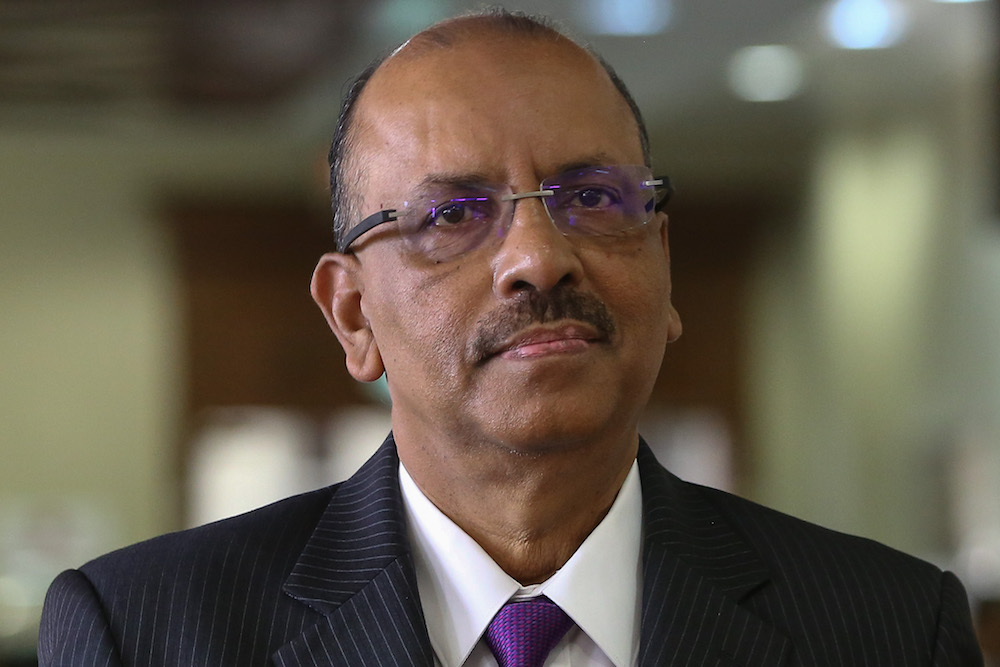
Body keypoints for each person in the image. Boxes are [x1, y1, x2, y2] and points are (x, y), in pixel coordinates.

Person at [38, 8, 983, 666]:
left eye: (593, 198)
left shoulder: (891, 628)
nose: (539, 258)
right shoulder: (146, 631)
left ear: (663, 266)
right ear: (353, 315)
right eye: (453, 214)